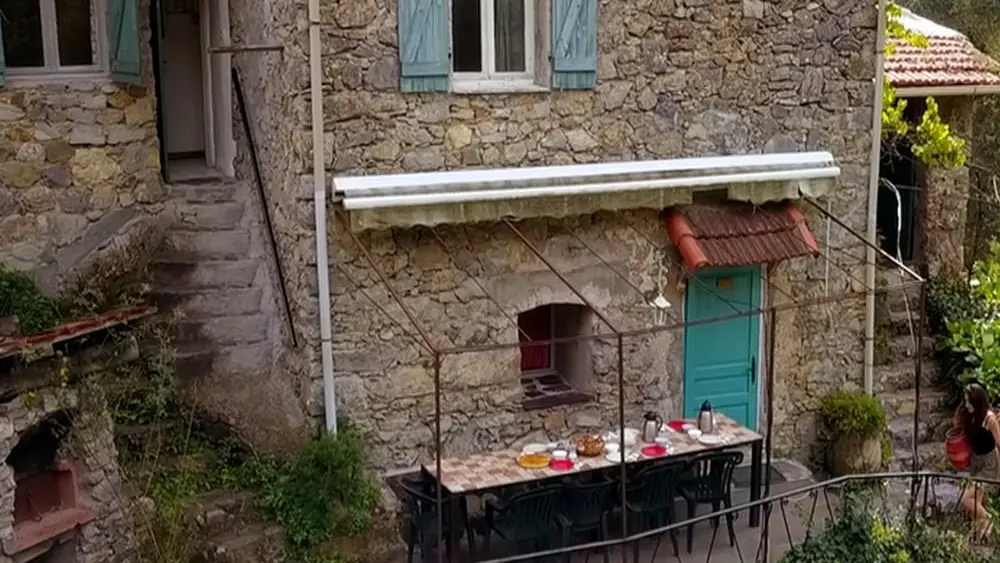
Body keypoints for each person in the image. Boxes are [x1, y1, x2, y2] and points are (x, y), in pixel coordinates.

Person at [956, 382, 1000, 542]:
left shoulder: (989, 419)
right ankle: (979, 534)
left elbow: (999, 441)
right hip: (976, 460)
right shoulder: (970, 415)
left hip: (989, 463)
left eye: (969, 401)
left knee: (966, 500)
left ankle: (989, 520)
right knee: (976, 501)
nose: (967, 404)